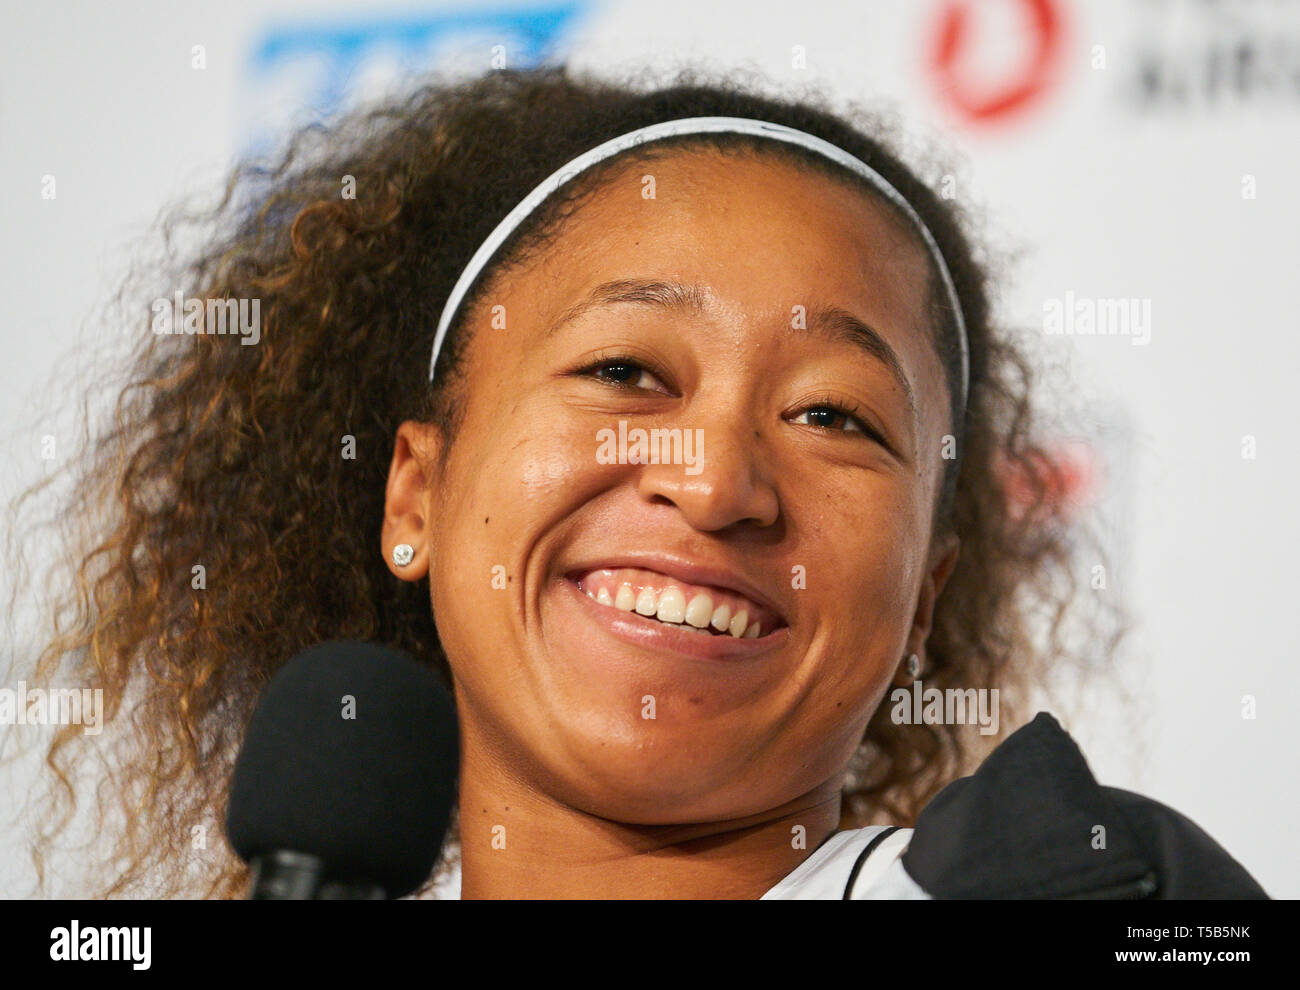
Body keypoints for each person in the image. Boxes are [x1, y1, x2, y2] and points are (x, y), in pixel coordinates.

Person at [8, 64, 1265, 899]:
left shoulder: (1091, 891)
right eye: (625, 370)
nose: (715, 479)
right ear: (415, 498)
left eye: (833, 413)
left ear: (926, 595)